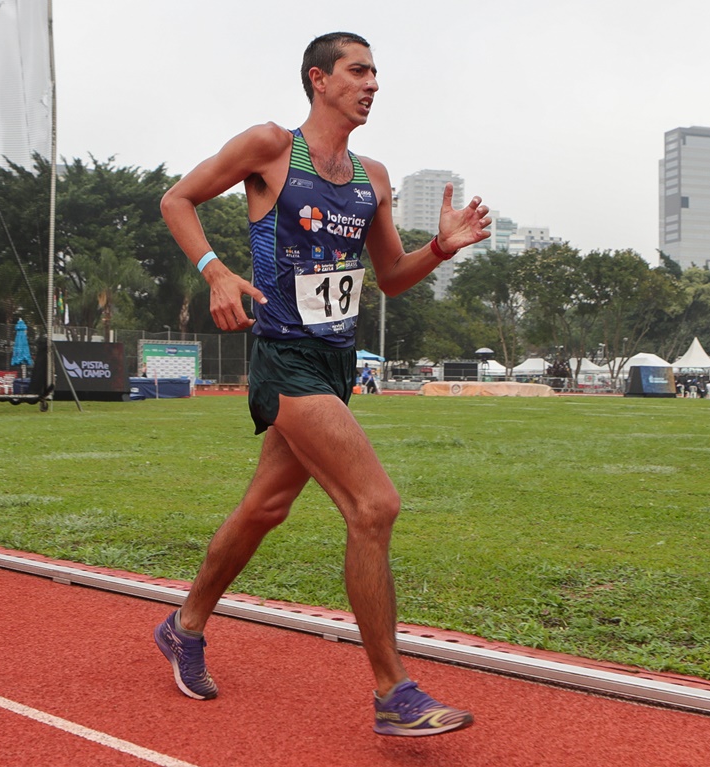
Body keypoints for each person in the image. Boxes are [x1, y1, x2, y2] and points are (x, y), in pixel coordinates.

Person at [154, 32, 490, 737]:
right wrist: (215, 270)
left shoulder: (371, 176)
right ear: (319, 79)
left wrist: (440, 247)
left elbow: (391, 275)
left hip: (336, 365)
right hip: (283, 357)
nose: (372, 84)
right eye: (358, 71)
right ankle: (392, 692)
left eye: (376, 73)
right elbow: (177, 200)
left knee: (263, 508)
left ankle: (184, 624)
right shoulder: (271, 147)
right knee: (374, 504)